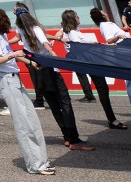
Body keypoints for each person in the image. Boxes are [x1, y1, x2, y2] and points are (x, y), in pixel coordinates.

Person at [0, 9, 53, 175]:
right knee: (24, 123)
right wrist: (14, 54)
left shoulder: (1, 36)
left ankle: (42, 161)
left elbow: (11, 54)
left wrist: (30, 62)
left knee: (32, 121)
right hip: (7, 80)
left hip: (14, 79)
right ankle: (36, 165)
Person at [16, 8, 92, 150]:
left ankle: (66, 137)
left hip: (35, 69)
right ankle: (74, 139)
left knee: (53, 105)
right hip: (49, 67)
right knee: (65, 102)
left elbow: (22, 45)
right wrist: (52, 53)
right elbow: (44, 42)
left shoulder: (21, 30)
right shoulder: (36, 28)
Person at [64, 10, 125, 129]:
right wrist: (97, 45)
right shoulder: (73, 33)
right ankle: (112, 120)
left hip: (92, 62)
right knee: (102, 89)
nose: (78, 17)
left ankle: (111, 119)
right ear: (72, 19)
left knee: (103, 89)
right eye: (76, 16)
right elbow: (79, 49)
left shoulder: (76, 32)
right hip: (90, 63)